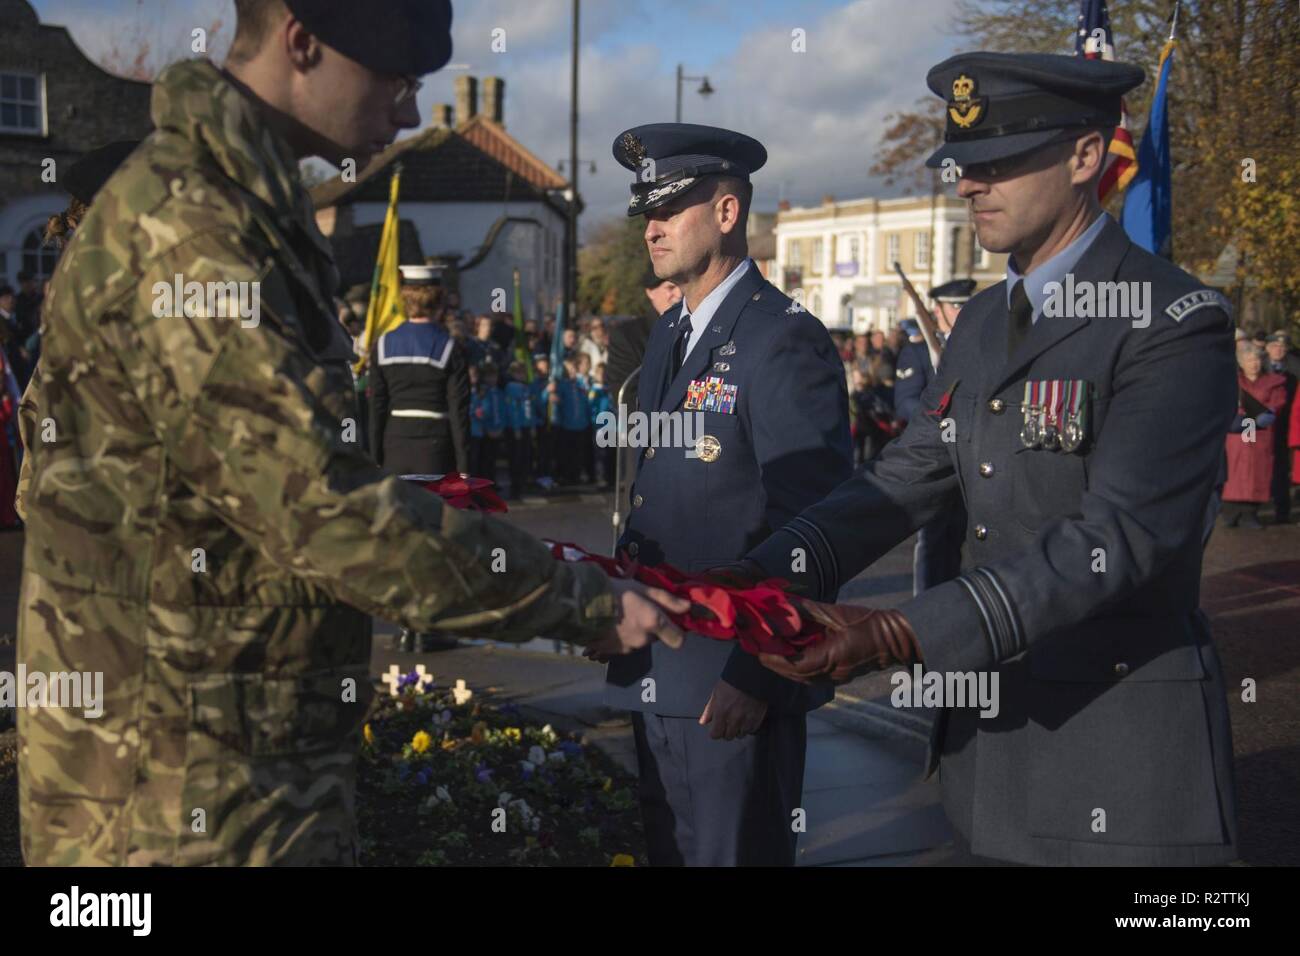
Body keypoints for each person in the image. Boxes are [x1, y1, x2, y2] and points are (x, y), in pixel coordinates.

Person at [16, 0, 687, 867]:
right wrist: (578, 604)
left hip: (231, 766)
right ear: (302, 41)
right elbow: (318, 510)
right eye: (397, 80)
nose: (408, 112)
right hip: (168, 794)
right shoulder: (188, 225)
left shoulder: (246, 203)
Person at [737, 52, 1240, 866]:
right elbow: (908, 477)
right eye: (961, 165)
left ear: (1086, 157)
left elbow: (1119, 538)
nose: (968, 183)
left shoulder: (1171, 321)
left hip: (1119, 755)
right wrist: (756, 573)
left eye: (997, 162)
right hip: (991, 758)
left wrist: (900, 630)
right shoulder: (978, 322)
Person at [603, 123, 852, 866]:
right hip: (657, 670)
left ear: (725, 212)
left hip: (728, 683)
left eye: (670, 208)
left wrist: (759, 669)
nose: (651, 228)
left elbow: (813, 524)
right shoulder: (668, 333)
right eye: (645, 210)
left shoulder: (784, 339)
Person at [894, 280, 977, 595]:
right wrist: (946, 416)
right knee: (935, 543)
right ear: (938, 309)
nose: (961, 311)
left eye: (965, 305)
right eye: (955, 306)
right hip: (936, 459)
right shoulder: (918, 351)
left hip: (974, 459)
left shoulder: (978, 345)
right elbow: (905, 402)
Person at [369, 264, 470, 477]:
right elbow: (459, 410)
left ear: (405, 301)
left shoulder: (382, 344)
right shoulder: (451, 348)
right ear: (439, 303)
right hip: (436, 447)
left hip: (394, 445)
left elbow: (376, 405)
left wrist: (374, 456)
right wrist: (464, 467)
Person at [1222, 342, 1287, 529]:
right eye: (1250, 360)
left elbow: (1276, 404)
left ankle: (1250, 513)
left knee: (1256, 470)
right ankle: (1231, 511)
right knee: (1235, 471)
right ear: (1241, 363)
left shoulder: (1273, 382)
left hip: (1260, 432)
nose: (1254, 363)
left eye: (1257, 359)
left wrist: (1261, 415)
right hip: (1237, 431)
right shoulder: (1233, 381)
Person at [1265, 331, 1297, 524]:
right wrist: (1248, 434)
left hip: (1283, 427)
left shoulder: (1293, 371)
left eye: (1282, 347)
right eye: (1275, 346)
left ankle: (1282, 509)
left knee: (1281, 469)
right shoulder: (1256, 367)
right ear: (1267, 348)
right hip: (1258, 427)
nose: (1279, 350)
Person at [503, 359, 536, 499]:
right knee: (516, 457)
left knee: (525, 456)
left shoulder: (526, 387)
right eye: (518, 373)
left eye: (523, 372)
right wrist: (516, 428)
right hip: (516, 428)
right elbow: (512, 410)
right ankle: (515, 485)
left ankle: (523, 483)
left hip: (526, 426)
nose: (521, 375)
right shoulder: (511, 387)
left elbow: (530, 409)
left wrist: (532, 425)